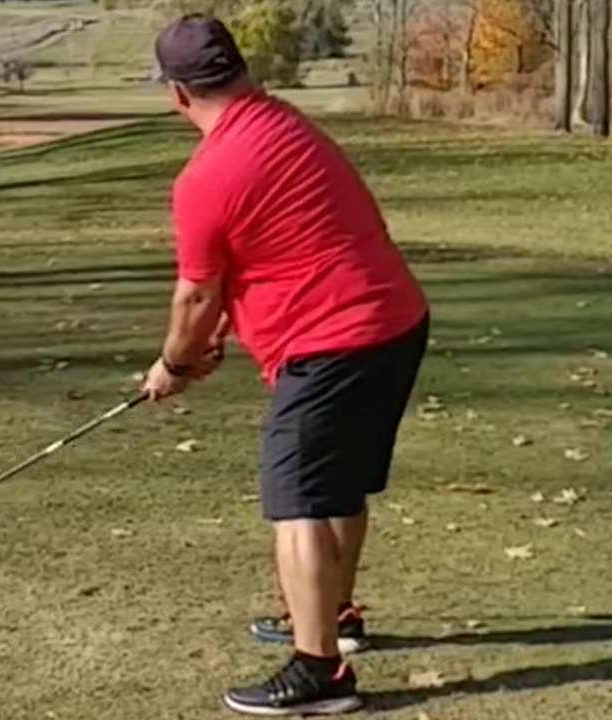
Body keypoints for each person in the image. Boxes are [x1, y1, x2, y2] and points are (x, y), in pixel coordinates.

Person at [141, 14, 430, 716]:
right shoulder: (281, 121)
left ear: (178, 94)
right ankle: (335, 617)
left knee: (297, 499)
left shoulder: (206, 176)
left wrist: (175, 364)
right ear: (240, 72)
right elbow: (272, 250)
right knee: (338, 487)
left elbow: (198, 293)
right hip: (395, 323)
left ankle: (319, 671)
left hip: (336, 340)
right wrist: (211, 338)